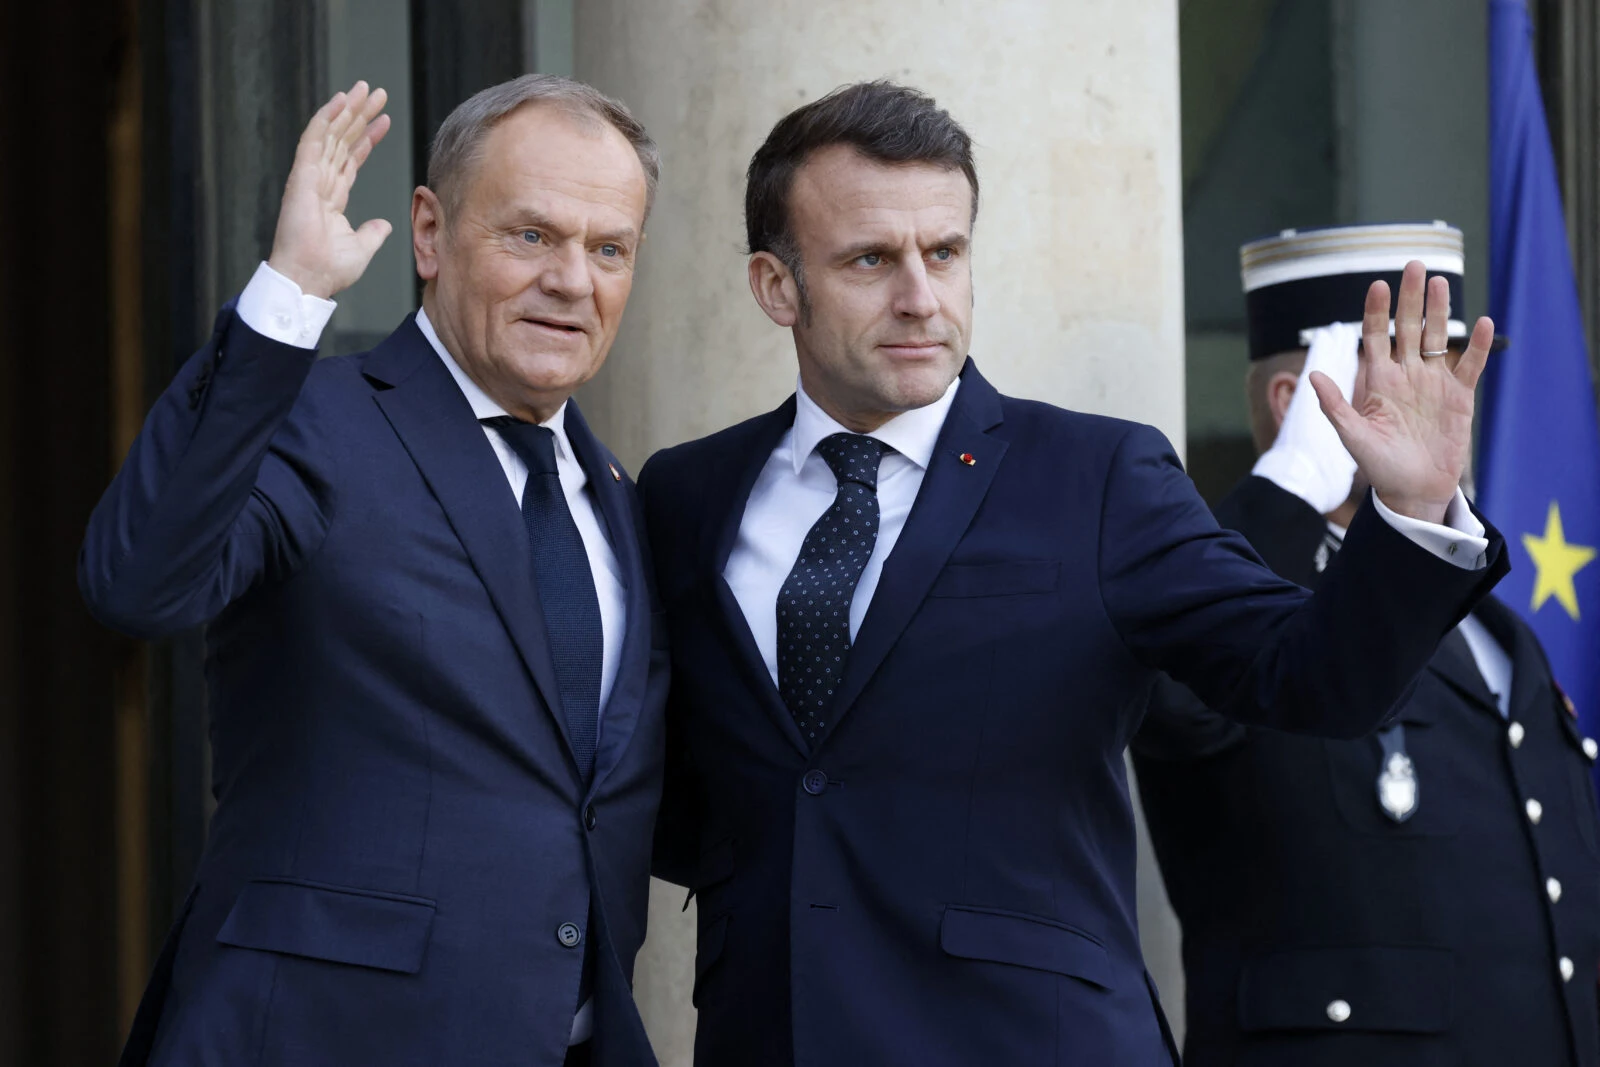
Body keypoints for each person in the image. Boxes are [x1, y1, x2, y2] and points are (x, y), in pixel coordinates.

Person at [640, 82, 1508, 1066]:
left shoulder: (1098, 476)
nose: (919, 296)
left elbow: (1306, 674)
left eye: (946, 253)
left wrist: (1411, 511)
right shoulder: (687, 495)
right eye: (871, 259)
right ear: (775, 285)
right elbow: (664, 785)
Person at [81, 75, 666, 1067]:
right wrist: (290, 297)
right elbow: (139, 582)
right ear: (430, 235)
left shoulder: (613, 488)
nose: (573, 279)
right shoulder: (318, 421)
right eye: (531, 235)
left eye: (608, 248)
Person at [1132, 222, 1600, 1067]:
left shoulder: (1495, 625)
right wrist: (1288, 486)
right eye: (1410, 364)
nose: (1451, 394)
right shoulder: (1235, 608)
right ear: (1300, 403)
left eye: (1455, 362)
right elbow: (1166, 696)